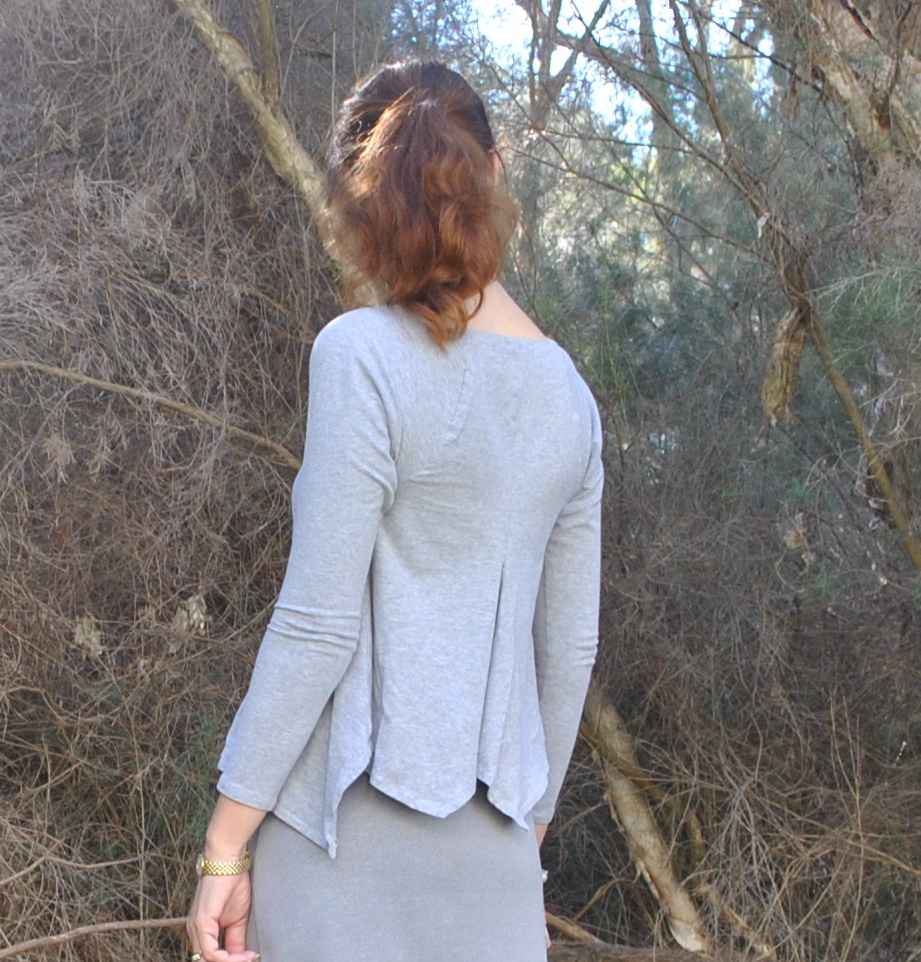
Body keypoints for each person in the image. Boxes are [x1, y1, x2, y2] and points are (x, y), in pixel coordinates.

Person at [186, 60, 603, 962]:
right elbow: (567, 650)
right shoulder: (570, 400)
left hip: (338, 845)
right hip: (496, 858)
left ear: (358, 207)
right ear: (494, 171)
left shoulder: (361, 356)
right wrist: (524, 835)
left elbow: (317, 624)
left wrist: (225, 847)